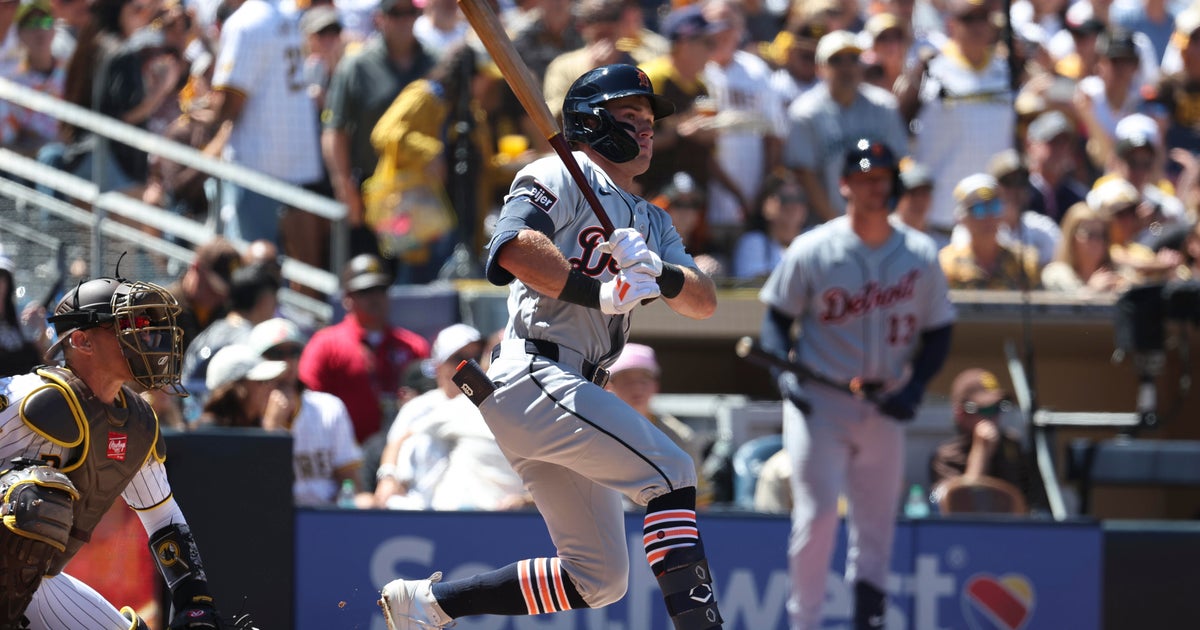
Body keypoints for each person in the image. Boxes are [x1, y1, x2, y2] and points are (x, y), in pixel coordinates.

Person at [378, 63, 725, 630]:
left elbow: (704, 302)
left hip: (575, 392)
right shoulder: (559, 173)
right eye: (629, 116)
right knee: (673, 473)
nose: (645, 129)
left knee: (600, 579)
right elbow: (510, 247)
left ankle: (430, 605)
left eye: (649, 120)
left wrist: (658, 271)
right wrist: (600, 293)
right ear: (593, 121)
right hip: (535, 372)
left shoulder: (651, 219)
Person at [757, 138, 955, 630]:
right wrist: (785, 375)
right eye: (867, 179)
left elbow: (940, 331)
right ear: (844, 184)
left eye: (883, 179)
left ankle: (869, 623)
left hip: (884, 401)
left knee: (876, 527)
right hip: (822, 399)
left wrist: (914, 389)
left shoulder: (919, 253)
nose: (876, 188)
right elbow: (776, 319)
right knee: (819, 515)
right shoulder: (814, 247)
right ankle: (804, 623)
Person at [0, 275, 233, 629]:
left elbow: (164, 520)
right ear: (82, 340)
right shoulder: (32, 398)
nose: (146, 337)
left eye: (146, 327)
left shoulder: (135, 422)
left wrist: (194, 601)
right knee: (32, 499)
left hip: (33, 583)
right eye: (128, 326)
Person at [374, 323, 526, 511]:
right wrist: (388, 478)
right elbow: (398, 442)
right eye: (460, 360)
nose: (472, 366)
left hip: (505, 515)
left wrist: (525, 500)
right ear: (439, 365)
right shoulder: (424, 407)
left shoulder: (508, 405)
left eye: (477, 357)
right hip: (430, 509)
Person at [322, 0, 433, 258]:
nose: (405, 20)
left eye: (412, 12)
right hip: (372, 190)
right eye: (397, 13)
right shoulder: (357, 66)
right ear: (380, 18)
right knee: (373, 270)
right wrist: (343, 186)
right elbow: (334, 130)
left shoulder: (434, 61)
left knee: (421, 275)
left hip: (424, 188)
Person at [207, 0, 323, 245]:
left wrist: (205, 111)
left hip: (257, 167)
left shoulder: (245, 22)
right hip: (295, 164)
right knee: (297, 270)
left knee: (252, 267)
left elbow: (230, 103)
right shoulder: (287, 15)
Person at [897, 0, 1014, 239]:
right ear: (951, 25)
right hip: (939, 221)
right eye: (968, 19)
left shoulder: (1008, 70)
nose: (977, 26)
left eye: (983, 19)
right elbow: (897, 124)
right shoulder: (930, 69)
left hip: (992, 219)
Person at [298, 253, 430, 443]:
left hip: (403, 451)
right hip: (347, 455)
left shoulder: (413, 345)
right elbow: (309, 400)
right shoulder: (326, 344)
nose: (375, 297)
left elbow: (433, 399)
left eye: (380, 289)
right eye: (365, 291)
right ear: (347, 298)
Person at [786, 29, 909, 223]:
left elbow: (900, 162)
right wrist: (838, 223)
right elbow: (805, 175)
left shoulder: (883, 105)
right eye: (836, 60)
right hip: (825, 224)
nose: (846, 67)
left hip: (880, 220)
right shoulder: (805, 112)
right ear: (820, 68)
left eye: (853, 59)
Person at [250, 317, 365, 507]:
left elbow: (350, 482)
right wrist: (271, 428)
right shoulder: (246, 412)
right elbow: (254, 485)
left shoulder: (328, 408)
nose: (287, 361)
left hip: (324, 518)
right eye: (276, 353)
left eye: (293, 352)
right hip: (270, 517)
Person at [604, 342, 713, 508]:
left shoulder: (680, 436)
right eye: (627, 380)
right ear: (609, 386)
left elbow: (700, 501)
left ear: (655, 386)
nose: (637, 388)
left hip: (662, 524)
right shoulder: (594, 430)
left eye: (644, 380)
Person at [929, 368, 1035, 506]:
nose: (992, 417)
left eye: (998, 408)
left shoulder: (1013, 446)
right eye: (985, 410)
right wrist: (981, 449)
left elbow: (1032, 501)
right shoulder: (947, 457)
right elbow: (960, 506)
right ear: (961, 414)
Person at [939, 174, 1042, 290]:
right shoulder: (946, 264)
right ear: (962, 218)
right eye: (979, 209)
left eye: (994, 207)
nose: (988, 217)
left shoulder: (1025, 263)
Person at [732, 170, 809, 281]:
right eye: (785, 199)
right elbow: (754, 284)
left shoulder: (813, 241)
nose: (793, 205)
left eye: (799, 198)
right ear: (766, 206)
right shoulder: (753, 242)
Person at [1040, 201, 1132, 294]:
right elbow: (1069, 304)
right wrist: (1092, 291)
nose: (1097, 241)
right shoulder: (1056, 274)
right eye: (1090, 234)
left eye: (1102, 235)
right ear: (1071, 238)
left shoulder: (1120, 272)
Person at [195, 342, 288, 428]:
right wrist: (271, 430)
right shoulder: (206, 430)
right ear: (237, 389)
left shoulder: (258, 425)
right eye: (263, 381)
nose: (271, 388)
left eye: (271, 380)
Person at [0, 250, 43, 376]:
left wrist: (42, 332)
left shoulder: (23, 315)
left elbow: (48, 363)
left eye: (1, 276)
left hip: (26, 392)